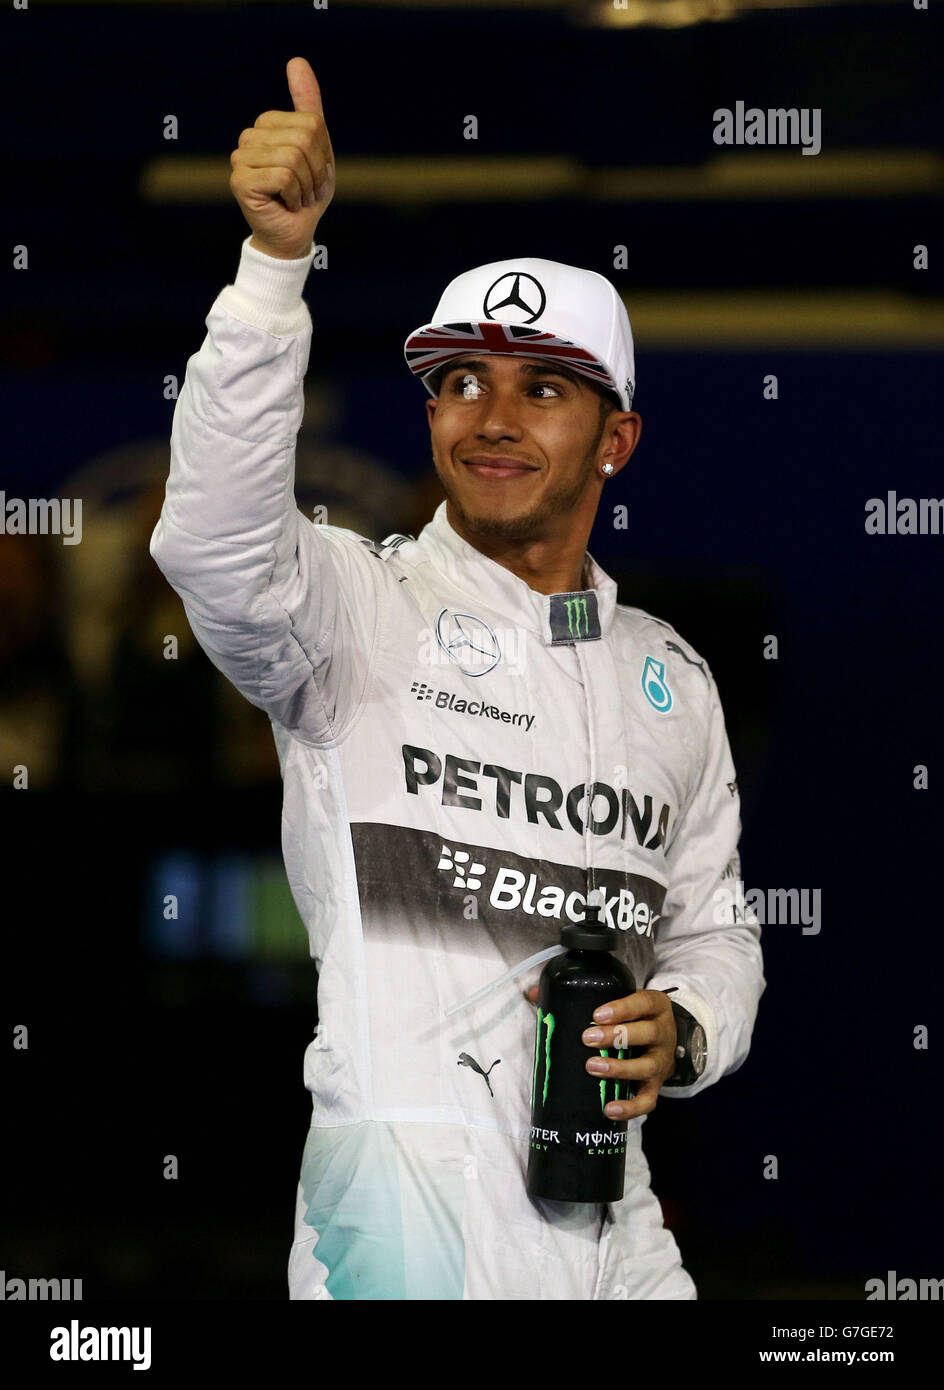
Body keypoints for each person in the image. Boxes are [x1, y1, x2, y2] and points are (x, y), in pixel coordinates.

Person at [150, 55, 765, 1301]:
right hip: (401, 1216)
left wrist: (686, 1024)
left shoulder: (673, 679)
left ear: (617, 439)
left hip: (618, 1223)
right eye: (461, 381)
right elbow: (210, 543)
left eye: (543, 388)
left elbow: (713, 926)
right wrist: (274, 269)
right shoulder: (354, 609)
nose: (491, 416)